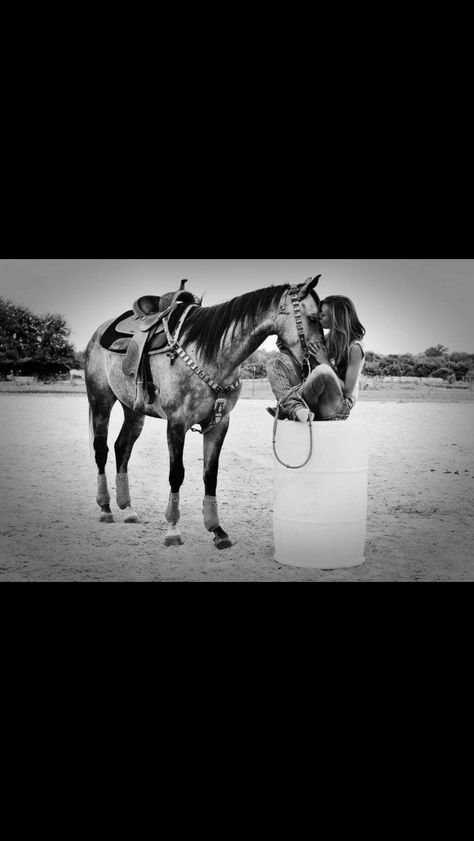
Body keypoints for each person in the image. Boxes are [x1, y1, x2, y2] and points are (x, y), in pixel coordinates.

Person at [266, 295, 366, 422]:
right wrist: (288, 352)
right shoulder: (326, 340)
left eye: (323, 315)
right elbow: (306, 379)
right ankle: (293, 406)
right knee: (273, 364)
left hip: (338, 406)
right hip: (316, 399)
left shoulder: (355, 347)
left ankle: (288, 406)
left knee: (323, 370)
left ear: (337, 317)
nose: (319, 317)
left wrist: (324, 361)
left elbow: (346, 391)